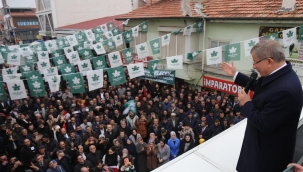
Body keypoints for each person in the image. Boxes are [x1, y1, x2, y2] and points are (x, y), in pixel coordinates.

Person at [221, 40, 303, 172]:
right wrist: (235, 75)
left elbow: (264, 123)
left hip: (266, 157)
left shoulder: (286, 90)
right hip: (257, 146)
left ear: (269, 61)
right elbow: (259, 85)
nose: (253, 66)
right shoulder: (279, 74)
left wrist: (246, 103)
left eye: (255, 61)